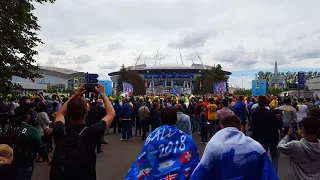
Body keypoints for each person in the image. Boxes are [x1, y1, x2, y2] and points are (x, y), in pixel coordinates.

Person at [49, 84, 115, 180]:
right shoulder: (90, 132)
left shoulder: (60, 129)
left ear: (69, 113)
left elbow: (60, 113)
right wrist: (103, 94)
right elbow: (111, 113)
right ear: (86, 112)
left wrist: (75, 94)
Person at [191, 115, 278, 180]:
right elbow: (268, 173)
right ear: (241, 128)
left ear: (221, 127)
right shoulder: (256, 147)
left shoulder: (213, 146)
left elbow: (201, 174)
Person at [125, 107, 200, 179]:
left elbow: (144, 160)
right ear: (176, 120)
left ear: (160, 120)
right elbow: (194, 162)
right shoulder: (187, 139)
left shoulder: (152, 137)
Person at [4, 106, 50, 180]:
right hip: (25, 164)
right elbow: (40, 146)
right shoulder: (31, 130)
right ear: (28, 116)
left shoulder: (8, 128)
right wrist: (47, 158)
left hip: (8, 163)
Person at [251, 96, 282, 172]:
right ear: (266, 103)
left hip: (260, 139)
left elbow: (253, 127)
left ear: (258, 103)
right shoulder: (271, 113)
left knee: (263, 156)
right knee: (274, 156)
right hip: (272, 138)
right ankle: (274, 173)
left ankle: (263, 172)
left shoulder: (254, 114)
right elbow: (278, 126)